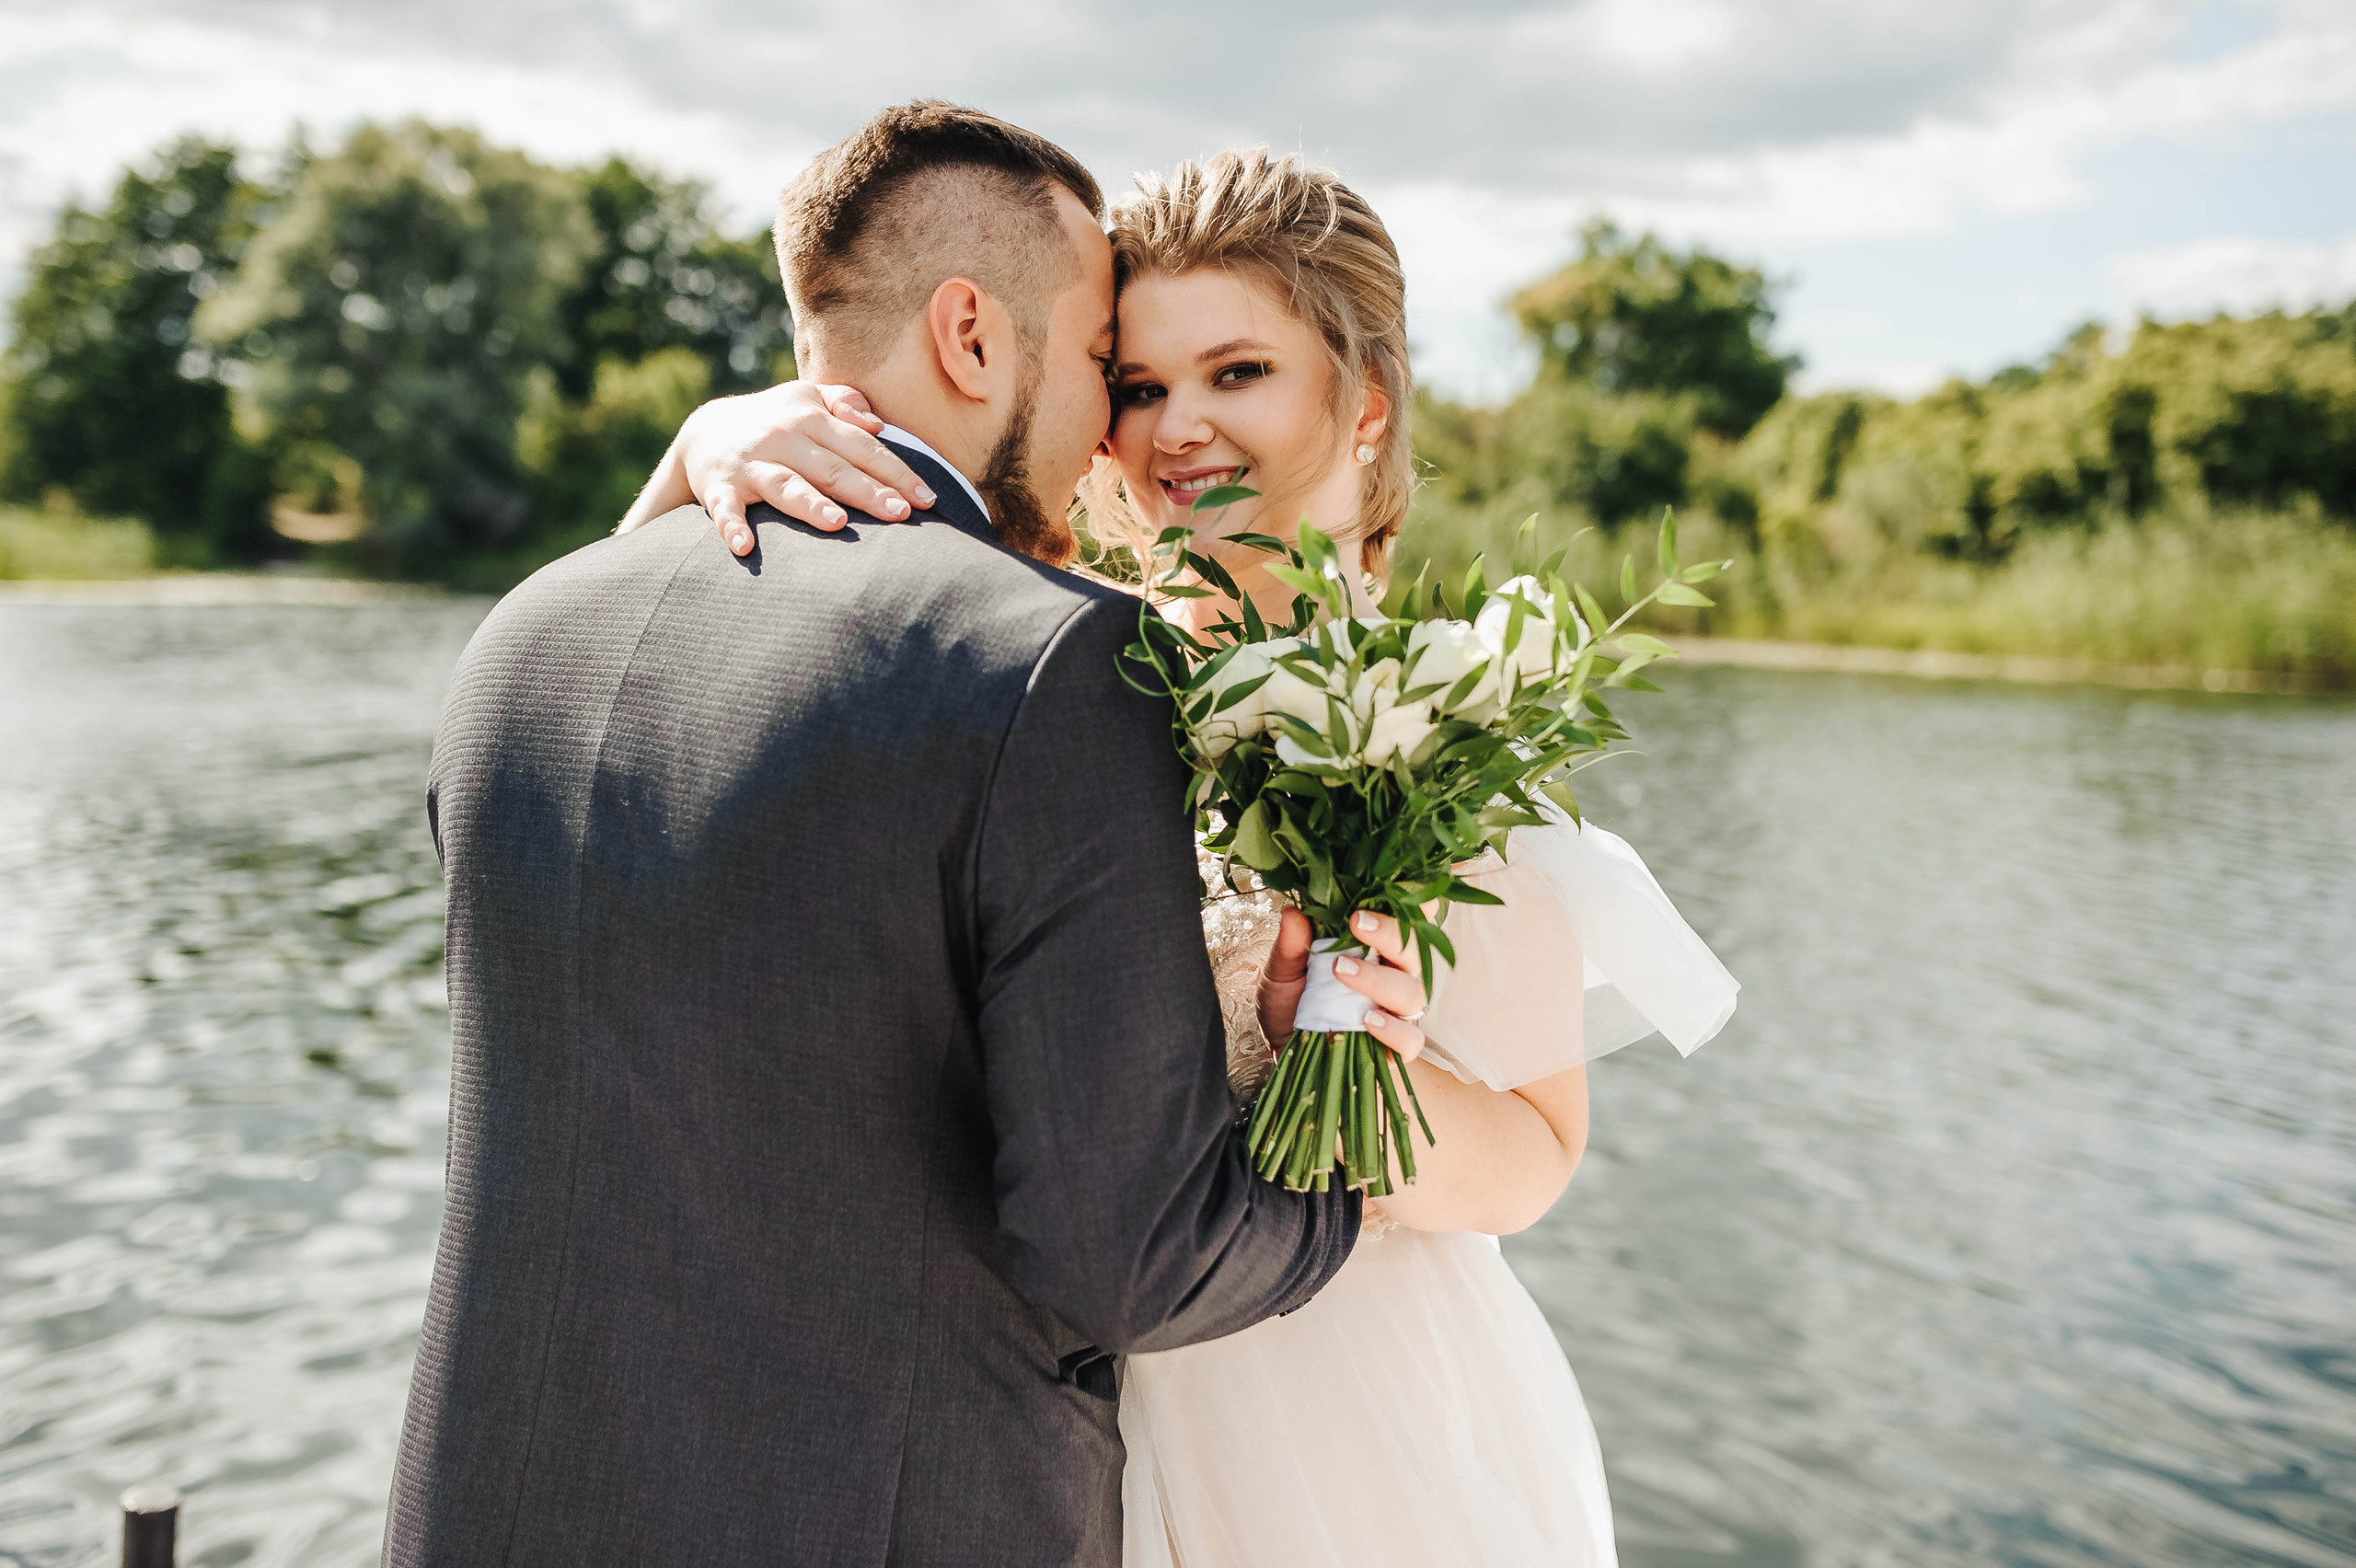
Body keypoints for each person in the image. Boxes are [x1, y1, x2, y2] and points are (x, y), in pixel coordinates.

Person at [627, 144, 1739, 1566]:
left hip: (1339, 1424)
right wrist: (698, 455)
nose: (1178, 429)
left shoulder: (1456, 707)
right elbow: (633, 730)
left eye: (1237, 374)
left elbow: (1536, 1154)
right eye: (1140, 386)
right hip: (1011, 1420)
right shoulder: (1036, 669)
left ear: (1364, 399)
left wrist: (1363, 1105)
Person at [385, 103, 1421, 1568]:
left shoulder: (532, 630)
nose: (1105, 437)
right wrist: (1342, 1148)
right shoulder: (1054, 664)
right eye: (1095, 367)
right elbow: (1122, 1254)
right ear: (972, 337)